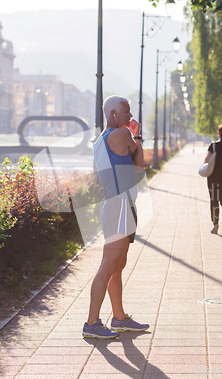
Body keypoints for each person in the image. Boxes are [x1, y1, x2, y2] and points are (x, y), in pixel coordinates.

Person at [83, 95, 148, 339]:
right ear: (113, 114)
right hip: (120, 206)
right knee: (108, 266)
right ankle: (91, 324)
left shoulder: (99, 141)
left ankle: (119, 319)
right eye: (126, 112)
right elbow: (139, 171)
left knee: (117, 266)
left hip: (114, 204)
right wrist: (137, 137)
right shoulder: (122, 136)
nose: (130, 116)